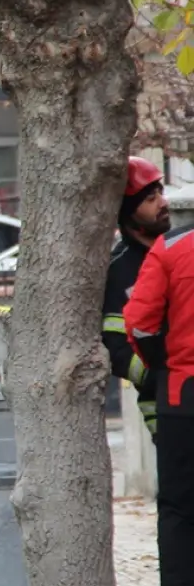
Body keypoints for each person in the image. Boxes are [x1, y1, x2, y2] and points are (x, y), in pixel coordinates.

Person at [123, 217, 194, 586]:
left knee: (179, 508)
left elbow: (141, 323)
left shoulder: (171, 246)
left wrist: (162, 363)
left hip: (183, 395)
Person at [102, 157, 170, 442]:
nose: (163, 203)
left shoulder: (179, 250)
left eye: (160, 193)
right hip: (165, 408)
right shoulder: (120, 272)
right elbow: (118, 350)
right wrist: (163, 379)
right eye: (150, 199)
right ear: (129, 215)